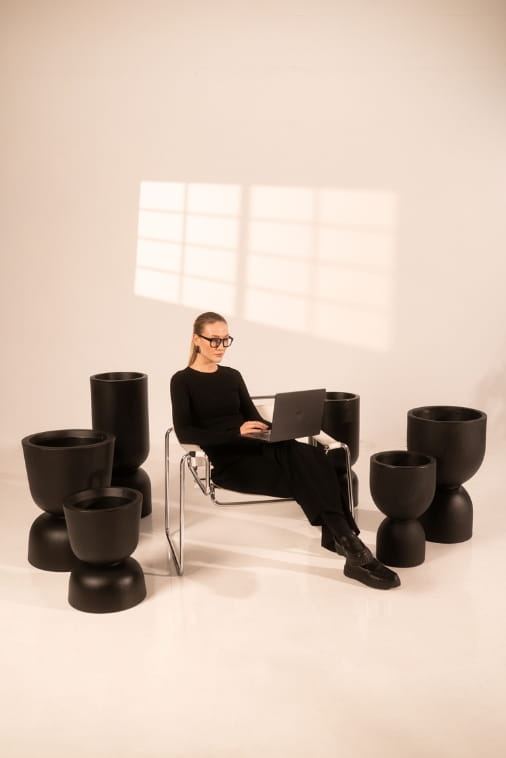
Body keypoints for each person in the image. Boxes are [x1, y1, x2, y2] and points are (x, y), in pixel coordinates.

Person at [170, 311, 400, 590]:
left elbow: (253, 417)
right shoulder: (182, 381)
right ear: (197, 339)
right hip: (229, 464)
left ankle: (348, 545)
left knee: (310, 455)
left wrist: (280, 428)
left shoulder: (232, 376)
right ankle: (350, 544)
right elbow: (186, 433)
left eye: (226, 340)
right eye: (214, 340)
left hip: (258, 450)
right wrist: (236, 433)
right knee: (313, 464)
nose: (221, 347)